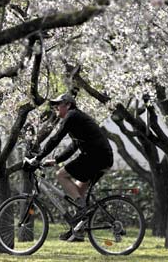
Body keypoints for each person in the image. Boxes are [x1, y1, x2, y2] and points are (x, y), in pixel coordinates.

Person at [27, 93, 114, 241]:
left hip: (95, 156)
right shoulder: (76, 119)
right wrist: (56, 160)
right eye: (54, 106)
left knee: (61, 175)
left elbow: (56, 138)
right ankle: (78, 231)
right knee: (78, 192)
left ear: (68, 105)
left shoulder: (72, 115)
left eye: (58, 105)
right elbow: (74, 146)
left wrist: (38, 157)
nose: (56, 108)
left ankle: (83, 211)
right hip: (102, 158)